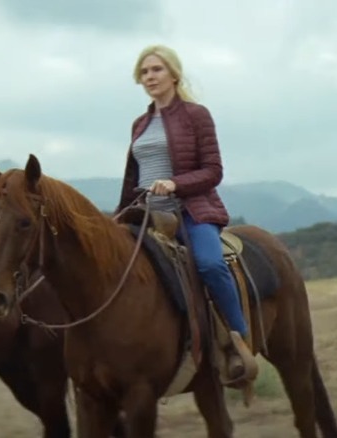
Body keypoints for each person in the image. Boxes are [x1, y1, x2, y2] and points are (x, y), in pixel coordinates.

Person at [115, 45, 258, 383]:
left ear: (174, 74)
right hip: (147, 215)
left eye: (156, 70)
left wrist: (175, 183)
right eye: (145, 72)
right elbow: (133, 177)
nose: (150, 77)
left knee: (209, 264)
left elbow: (213, 170)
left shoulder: (196, 115)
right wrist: (119, 217)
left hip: (191, 211)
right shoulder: (140, 123)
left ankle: (240, 340)